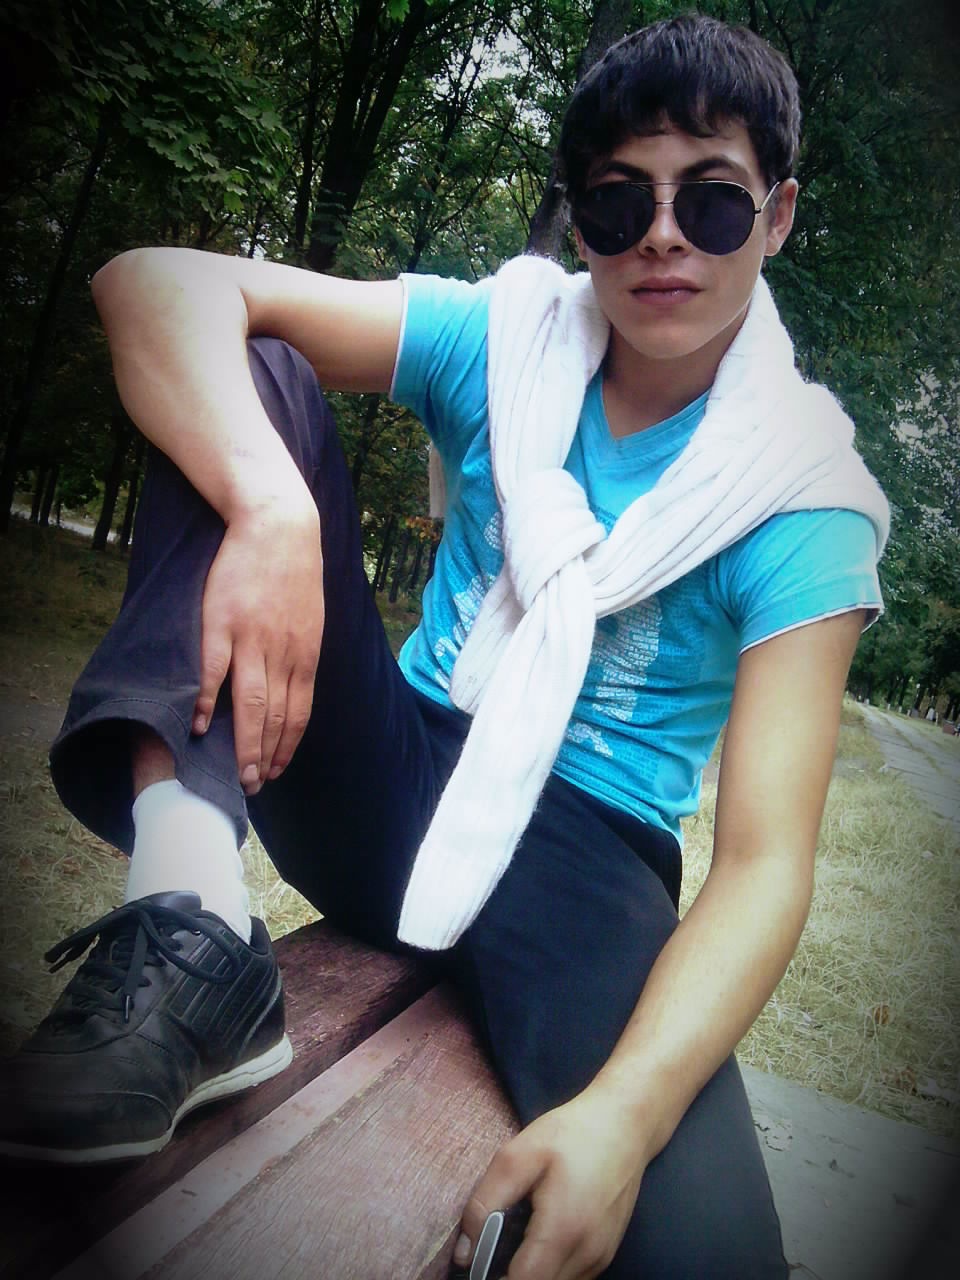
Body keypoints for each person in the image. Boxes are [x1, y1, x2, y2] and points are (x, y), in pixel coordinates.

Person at [0, 14, 889, 1279]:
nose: (661, 235)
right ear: (580, 214)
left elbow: (761, 864)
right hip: (392, 775)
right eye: (617, 198)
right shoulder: (506, 337)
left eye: (712, 200)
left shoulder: (802, 496)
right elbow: (157, 286)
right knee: (250, 369)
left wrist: (623, 1117)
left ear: (779, 214)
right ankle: (187, 913)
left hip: (587, 861)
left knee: (708, 1255)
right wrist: (271, 503)